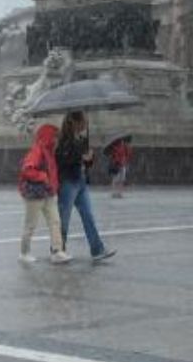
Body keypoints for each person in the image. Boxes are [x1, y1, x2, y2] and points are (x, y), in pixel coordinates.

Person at [56, 111, 116, 262]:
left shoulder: (82, 139)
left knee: (88, 217)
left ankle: (97, 249)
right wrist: (80, 157)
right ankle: (57, 250)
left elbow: (86, 163)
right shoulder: (63, 140)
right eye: (84, 121)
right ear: (75, 122)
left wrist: (90, 158)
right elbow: (62, 160)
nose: (86, 124)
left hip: (81, 181)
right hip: (68, 182)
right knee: (64, 219)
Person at [17, 124, 71, 264]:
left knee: (54, 222)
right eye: (55, 137)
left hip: (48, 192)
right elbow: (27, 170)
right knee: (31, 224)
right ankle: (24, 253)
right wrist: (43, 177)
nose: (57, 140)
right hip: (37, 193)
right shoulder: (38, 151)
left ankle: (57, 251)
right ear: (49, 137)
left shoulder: (48, 151)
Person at [105, 135, 132, 199]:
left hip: (122, 165)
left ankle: (119, 193)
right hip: (117, 165)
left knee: (121, 179)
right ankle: (114, 192)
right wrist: (119, 161)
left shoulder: (126, 147)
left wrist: (125, 160)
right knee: (116, 179)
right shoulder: (116, 147)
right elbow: (115, 156)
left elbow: (128, 155)